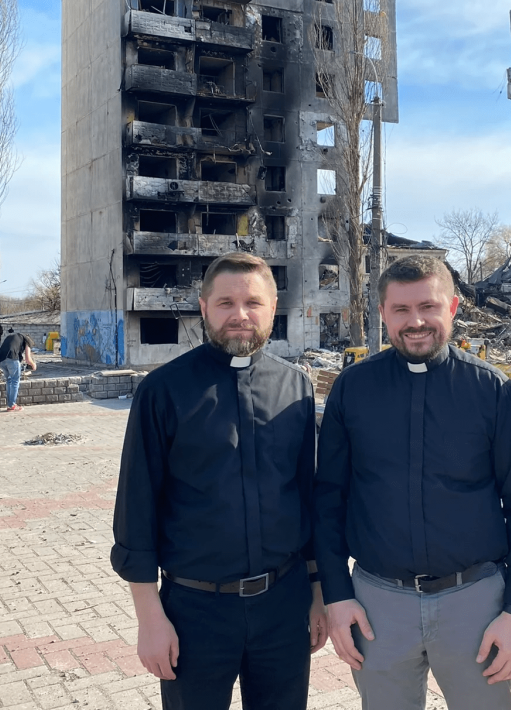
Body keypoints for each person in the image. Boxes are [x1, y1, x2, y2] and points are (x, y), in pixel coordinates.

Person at [315, 254, 511, 710]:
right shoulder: (352, 389)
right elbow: (328, 500)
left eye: (428, 307)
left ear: (453, 307)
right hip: (378, 603)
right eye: (400, 310)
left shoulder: (493, 391)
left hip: (475, 602)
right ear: (382, 313)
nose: (415, 321)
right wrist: (337, 596)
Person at [111, 252, 327, 710]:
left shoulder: (297, 389)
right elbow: (136, 507)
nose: (240, 315)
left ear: (274, 308)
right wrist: (149, 617)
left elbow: (308, 498)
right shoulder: (162, 392)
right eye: (225, 302)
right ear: (204, 306)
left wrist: (316, 594)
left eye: (253, 302)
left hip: (283, 606)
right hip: (194, 610)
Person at [0, 327, 36, 412]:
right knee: (15, 381)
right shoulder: (26, 341)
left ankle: (10, 404)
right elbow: (28, 359)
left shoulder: (13, 336)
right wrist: (33, 364)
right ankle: (12, 405)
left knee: (9, 380)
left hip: (1, 360)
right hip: (12, 359)